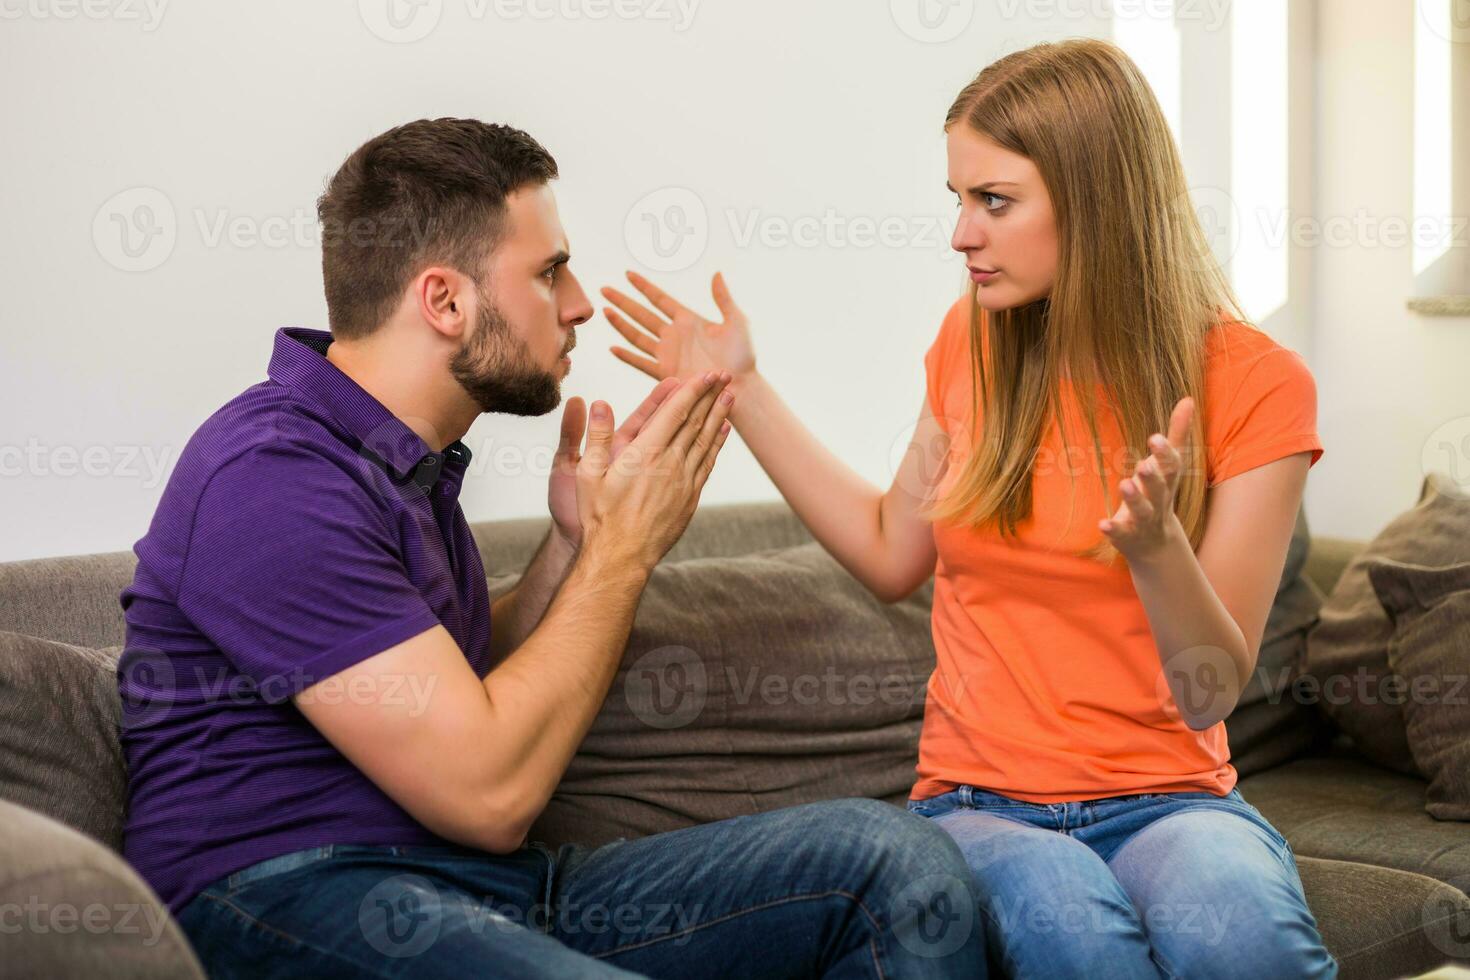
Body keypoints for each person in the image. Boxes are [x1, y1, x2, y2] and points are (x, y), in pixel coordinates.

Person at [117, 118, 987, 978]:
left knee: (888, 864)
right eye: (550, 272)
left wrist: (576, 544)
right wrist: (624, 555)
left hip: (484, 888)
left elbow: (434, 680)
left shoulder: (394, 462)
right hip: (291, 893)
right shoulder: (273, 476)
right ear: (445, 301)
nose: (579, 304)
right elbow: (490, 794)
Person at [601, 38, 1338, 979]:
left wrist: (1158, 552)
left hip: (1172, 801)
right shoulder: (974, 344)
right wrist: (741, 390)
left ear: (1098, 204)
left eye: (994, 201)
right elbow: (886, 551)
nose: (961, 235)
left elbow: (1209, 692)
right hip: (979, 806)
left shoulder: (1259, 384)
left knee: (1244, 935)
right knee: (1077, 937)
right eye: (958, 199)